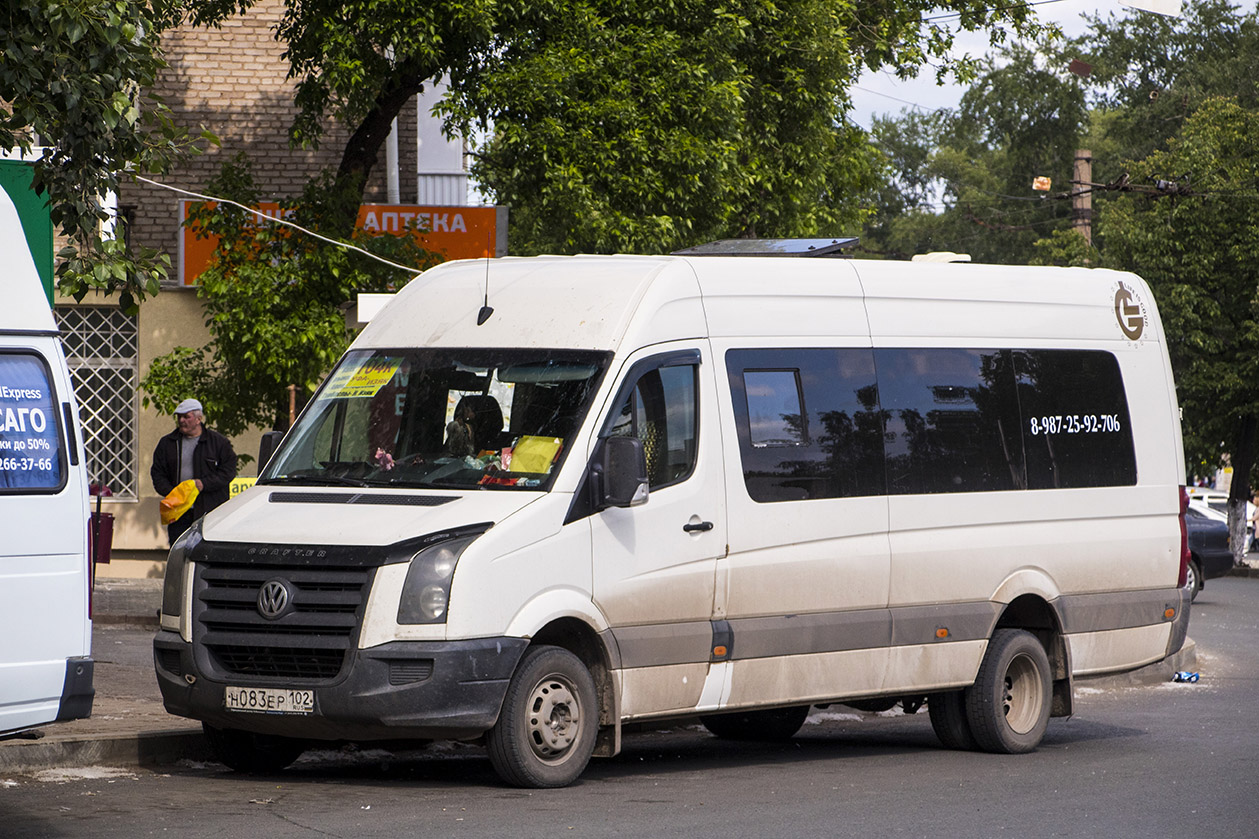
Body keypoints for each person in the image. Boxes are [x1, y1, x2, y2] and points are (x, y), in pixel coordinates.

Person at [151, 398, 238, 545]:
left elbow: (228, 472)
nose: (182, 421)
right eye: (179, 417)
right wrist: (173, 493)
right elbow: (158, 473)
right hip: (179, 512)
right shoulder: (168, 444)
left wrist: (204, 484)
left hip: (210, 513)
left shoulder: (218, 442)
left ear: (199, 419)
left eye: (186, 416)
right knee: (179, 551)